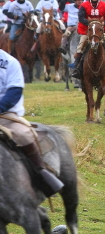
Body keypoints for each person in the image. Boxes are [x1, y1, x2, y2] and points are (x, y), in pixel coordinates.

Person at [0, 49, 63, 196]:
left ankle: (40, 172)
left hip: (6, 114)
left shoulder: (10, 63)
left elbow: (14, 92)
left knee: (23, 134)